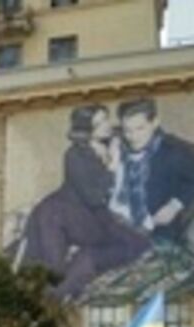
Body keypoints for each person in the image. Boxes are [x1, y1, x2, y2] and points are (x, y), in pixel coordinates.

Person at [19, 104, 151, 298]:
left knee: (135, 245)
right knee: (53, 267)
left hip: (90, 218)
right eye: (98, 123)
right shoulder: (75, 156)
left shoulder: (118, 142)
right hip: (64, 215)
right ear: (86, 129)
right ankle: (47, 294)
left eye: (106, 118)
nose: (106, 125)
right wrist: (112, 167)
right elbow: (94, 197)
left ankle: (57, 288)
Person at [114, 97, 194, 242]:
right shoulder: (117, 149)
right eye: (127, 130)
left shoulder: (171, 154)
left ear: (155, 123)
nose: (133, 137)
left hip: (156, 233)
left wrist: (174, 206)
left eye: (140, 128)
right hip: (117, 228)